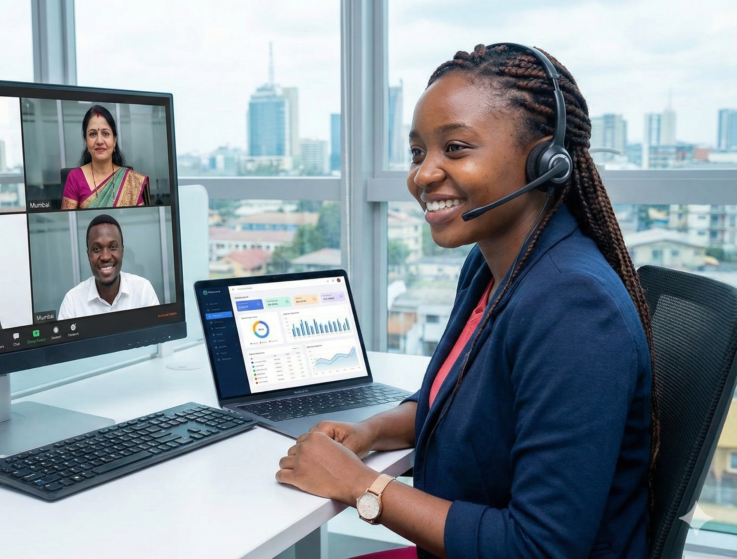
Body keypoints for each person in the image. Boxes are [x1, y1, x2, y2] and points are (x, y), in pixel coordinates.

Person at [275, 44, 656, 558]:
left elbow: (539, 549)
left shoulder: (575, 308)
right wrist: (369, 431)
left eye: (454, 148)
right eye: (417, 153)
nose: (423, 175)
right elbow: (459, 402)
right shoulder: (491, 267)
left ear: (546, 160)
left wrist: (360, 486)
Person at [58, 214, 160, 319]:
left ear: (122, 251)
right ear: (88, 255)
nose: (105, 257)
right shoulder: (72, 302)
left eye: (112, 247)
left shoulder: (143, 291)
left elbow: (158, 334)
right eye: (96, 249)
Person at [60, 105, 150, 210]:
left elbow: (142, 218)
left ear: (114, 140)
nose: (99, 141)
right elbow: (68, 221)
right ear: (86, 141)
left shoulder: (133, 181)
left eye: (105, 133)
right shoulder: (74, 178)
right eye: (93, 134)